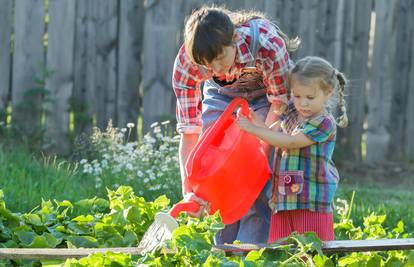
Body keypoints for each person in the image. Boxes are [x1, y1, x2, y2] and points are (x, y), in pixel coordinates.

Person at [172, 5, 299, 244]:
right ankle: (221, 249)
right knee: (212, 168)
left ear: (235, 39)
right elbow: (191, 134)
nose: (217, 69)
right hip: (221, 95)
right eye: (208, 65)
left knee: (259, 177)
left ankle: (252, 249)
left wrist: (257, 155)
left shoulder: (267, 45)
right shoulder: (188, 64)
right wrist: (189, 189)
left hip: (267, 97)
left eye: (220, 58)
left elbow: (279, 105)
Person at [236, 56, 348, 242]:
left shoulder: (324, 122)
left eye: (310, 97)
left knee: (311, 252)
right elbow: (274, 134)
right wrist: (255, 121)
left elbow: (291, 142)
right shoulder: (293, 112)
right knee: (281, 252)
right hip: (284, 199)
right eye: (296, 96)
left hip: (310, 202)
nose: (302, 103)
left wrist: (253, 129)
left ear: (327, 92)